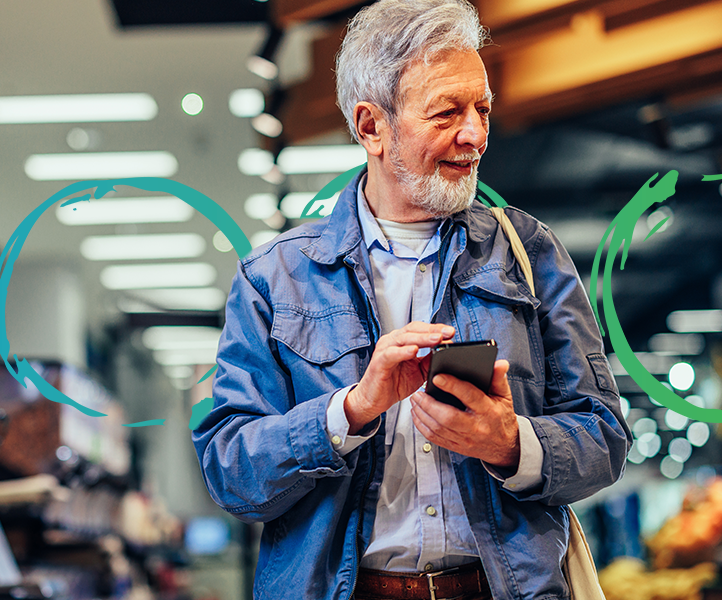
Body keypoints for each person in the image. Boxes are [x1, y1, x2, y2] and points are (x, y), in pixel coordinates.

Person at [192, 1, 631, 598]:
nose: (475, 135)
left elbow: (603, 437)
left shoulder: (528, 253)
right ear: (371, 126)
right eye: (447, 112)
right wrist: (349, 412)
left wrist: (511, 444)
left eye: (482, 108)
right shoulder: (277, 277)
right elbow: (229, 471)